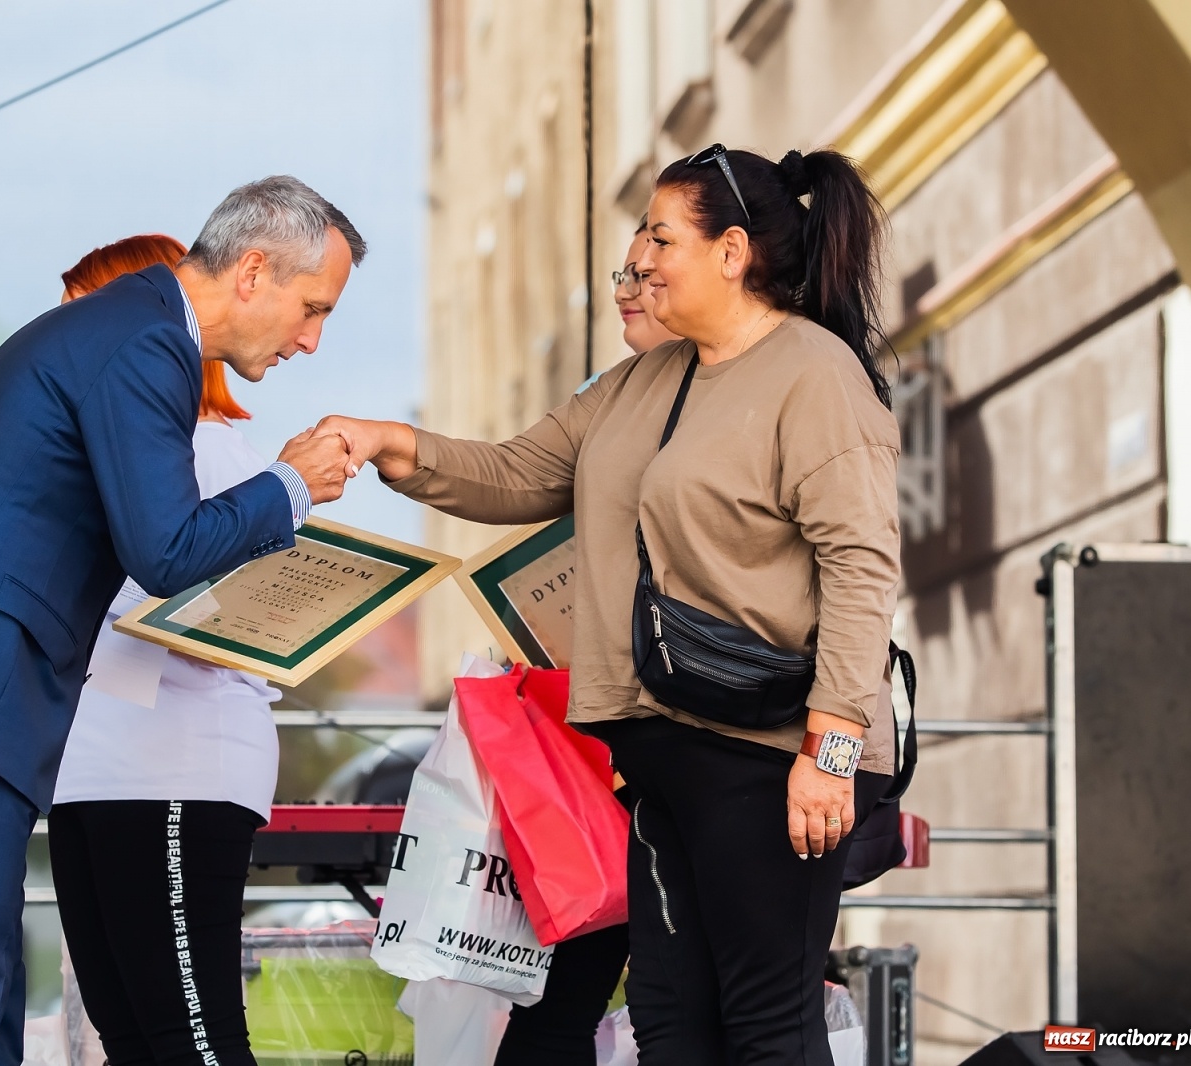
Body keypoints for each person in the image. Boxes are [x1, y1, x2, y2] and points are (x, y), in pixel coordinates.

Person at [320, 144, 900, 1065]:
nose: (640, 261)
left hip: (770, 757)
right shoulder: (645, 383)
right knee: (673, 1026)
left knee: (767, 1026)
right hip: (660, 756)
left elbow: (863, 568)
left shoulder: (812, 373)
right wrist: (391, 443)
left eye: (661, 239)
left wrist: (829, 754)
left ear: (733, 252)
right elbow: (515, 474)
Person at [0, 175, 365, 1066]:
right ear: (253, 270)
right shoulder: (148, 341)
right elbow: (166, 549)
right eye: (312, 308)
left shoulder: (134, 329)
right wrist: (290, 483)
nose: (312, 338)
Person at [47, 234, 280, 1066]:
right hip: (90, 770)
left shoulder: (207, 446)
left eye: (83, 319)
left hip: (172, 769)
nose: (65, 345)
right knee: (132, 1036)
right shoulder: (105, 449)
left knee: (192, 1040)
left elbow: (248, 618)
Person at [491, 218, 683, 1066]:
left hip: (698, 745)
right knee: (575, 996)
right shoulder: (619, 392)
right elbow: (514, 474)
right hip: (605, 743)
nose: (623, 291)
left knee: (685, 1004)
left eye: (648, 274)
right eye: (623, 272)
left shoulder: (778, 387)